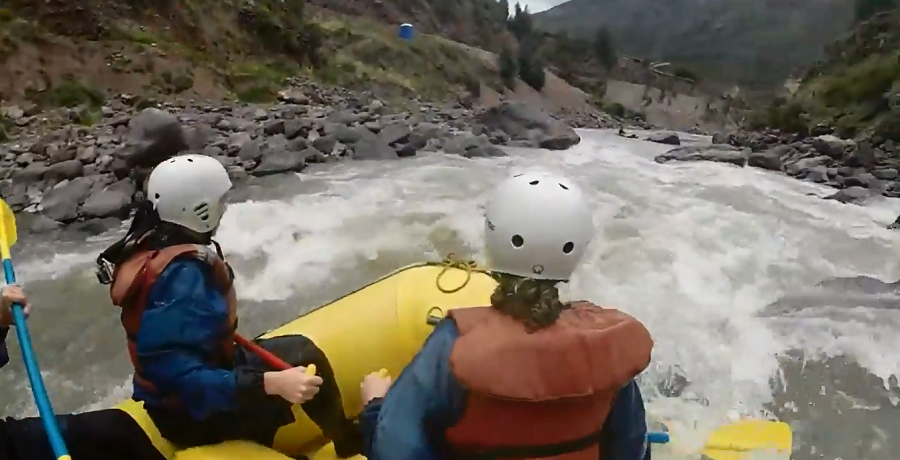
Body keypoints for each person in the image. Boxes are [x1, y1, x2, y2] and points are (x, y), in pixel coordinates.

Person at [357, 171, 655, 460]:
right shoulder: (605, 347)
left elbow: (394, 449)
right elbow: (632, 447)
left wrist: (375, 407)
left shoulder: (453, 343)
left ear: (493, 238)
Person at [94, 154, 362, 456]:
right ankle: (342, 443)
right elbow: (175, 376)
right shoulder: (183, 277)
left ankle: (337, 438)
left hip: (189, 389)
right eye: (219, 202)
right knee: (298, 363)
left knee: (300, 350)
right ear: (198, 209)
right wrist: (268, 383)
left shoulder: (152, 240)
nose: (223, 209)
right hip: (189, 414)